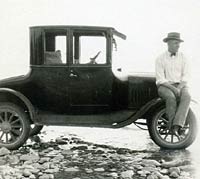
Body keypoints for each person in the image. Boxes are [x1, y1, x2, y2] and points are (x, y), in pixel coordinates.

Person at [155, 32, 191, 136]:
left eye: (179, 43)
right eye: (176, 43)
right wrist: (173, 89)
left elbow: (186, 75)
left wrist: (179, 87)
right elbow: (160, 79)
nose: (178, 45)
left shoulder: (183, 57)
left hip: (181, 85)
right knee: (171, 98)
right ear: (169, 43)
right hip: (165, 86)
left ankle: (177, 126)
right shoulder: (160, 58)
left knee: (187, 97)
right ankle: (170, 126)